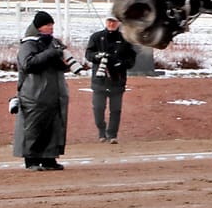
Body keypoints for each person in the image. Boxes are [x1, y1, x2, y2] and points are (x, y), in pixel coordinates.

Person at [13, 10, 85, 171]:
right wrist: (51, 53)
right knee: (34, 127)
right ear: (38, 27)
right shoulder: (28, 44)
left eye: (52, 24)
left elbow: (60, 66)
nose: (51, 28)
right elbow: (28, 64)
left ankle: (49, 159)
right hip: (34, 94)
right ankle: (31, 160)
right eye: (47, 25)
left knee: (54, 127)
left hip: (54, 94)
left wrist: (65, 62)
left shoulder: (54, 42)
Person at [85, 14, 139, 143]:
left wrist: (120, 63)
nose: (111, 24)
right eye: (109, 21)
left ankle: (112, 134)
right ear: (106, 21)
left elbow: (131, 59)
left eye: (114, 22)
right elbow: (88, 54)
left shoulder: (125, 39)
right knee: (98, 108)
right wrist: (98, 56)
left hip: (117, 80)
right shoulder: (96, 37)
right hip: (100, 79)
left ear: (119, 23)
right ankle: (101, 131)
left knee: (115, 109)